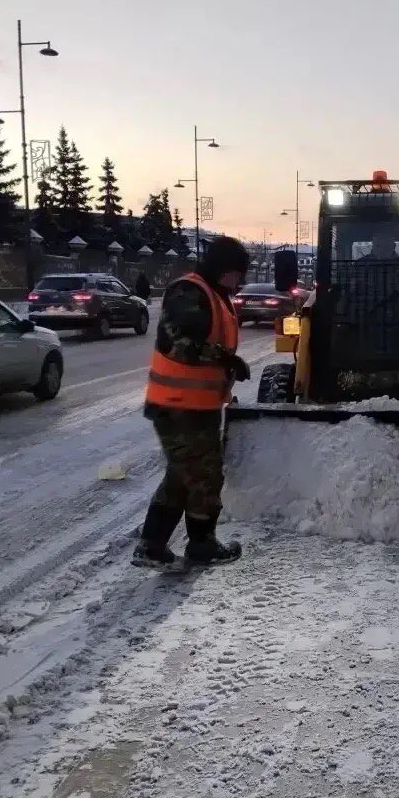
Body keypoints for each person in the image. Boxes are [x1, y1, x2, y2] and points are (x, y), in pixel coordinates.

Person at [133, 237, 251, 568]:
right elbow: (178, 343)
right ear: (225, 269)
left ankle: (153, 546)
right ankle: (201, 545)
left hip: (195, 406)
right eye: (238, 273)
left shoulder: (214, 294)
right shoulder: (189, 293)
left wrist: (227, 367)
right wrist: (225, 359)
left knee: (183, 475)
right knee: (203, 476)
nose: (239, 281)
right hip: (178, 406)